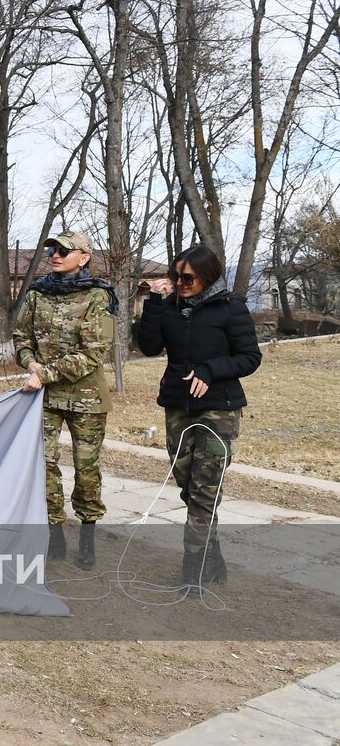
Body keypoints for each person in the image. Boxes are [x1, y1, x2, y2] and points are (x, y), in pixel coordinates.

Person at [136, 244, 261, 590]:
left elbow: (250, 357)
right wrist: (153, 304)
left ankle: (192, 572)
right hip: (178, 407)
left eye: (187, 277)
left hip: (219, 409)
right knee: (189, 487)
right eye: (176, 276)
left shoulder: (230, 308)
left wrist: (210, 370)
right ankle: (214, 560)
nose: (180, 283)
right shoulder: (171, 307)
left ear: (208, 276)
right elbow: (148, 347)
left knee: (205, 491)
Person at [15, 231, 117, 567]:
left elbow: (92, 353)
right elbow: (21, 337)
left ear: (84, 257)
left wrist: (43, 373)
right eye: (52, 250)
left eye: (63, 250)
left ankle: (87, 537)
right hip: (43, 397)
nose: (55, 255)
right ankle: (54, 535)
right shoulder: (37, 294)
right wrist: (29, 360)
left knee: (87, 470)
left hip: (85, 398)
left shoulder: (97, 296)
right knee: (42, 465)